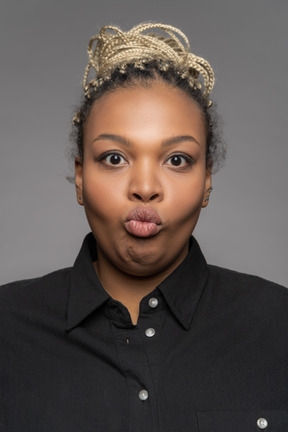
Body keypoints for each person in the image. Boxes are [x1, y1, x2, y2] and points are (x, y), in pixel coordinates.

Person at [1, 22, 287, 432]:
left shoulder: (278, 327)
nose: (146, 189)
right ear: (80, 178)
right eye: (115, 158)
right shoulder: (8, 331)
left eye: (177, 160)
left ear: (206, 182)